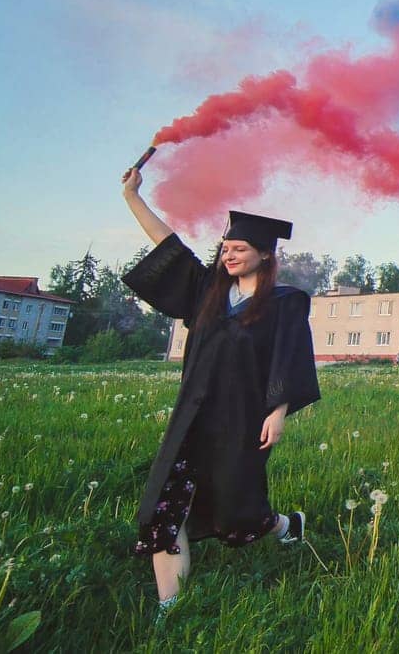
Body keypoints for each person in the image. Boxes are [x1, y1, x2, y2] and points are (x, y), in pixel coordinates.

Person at [119, 167, 319, 616]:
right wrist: (133, 197)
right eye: (225, 248)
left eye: (240, 249)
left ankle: (285, 525)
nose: (228, 256)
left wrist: (279, 409)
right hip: (192, 418)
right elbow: (167, 245)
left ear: (265, 256)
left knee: (235, 511)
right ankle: (169, 607)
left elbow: (290, 357)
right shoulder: (207, 290)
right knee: (165, 508)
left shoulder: (286, 302)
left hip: (243, 421)